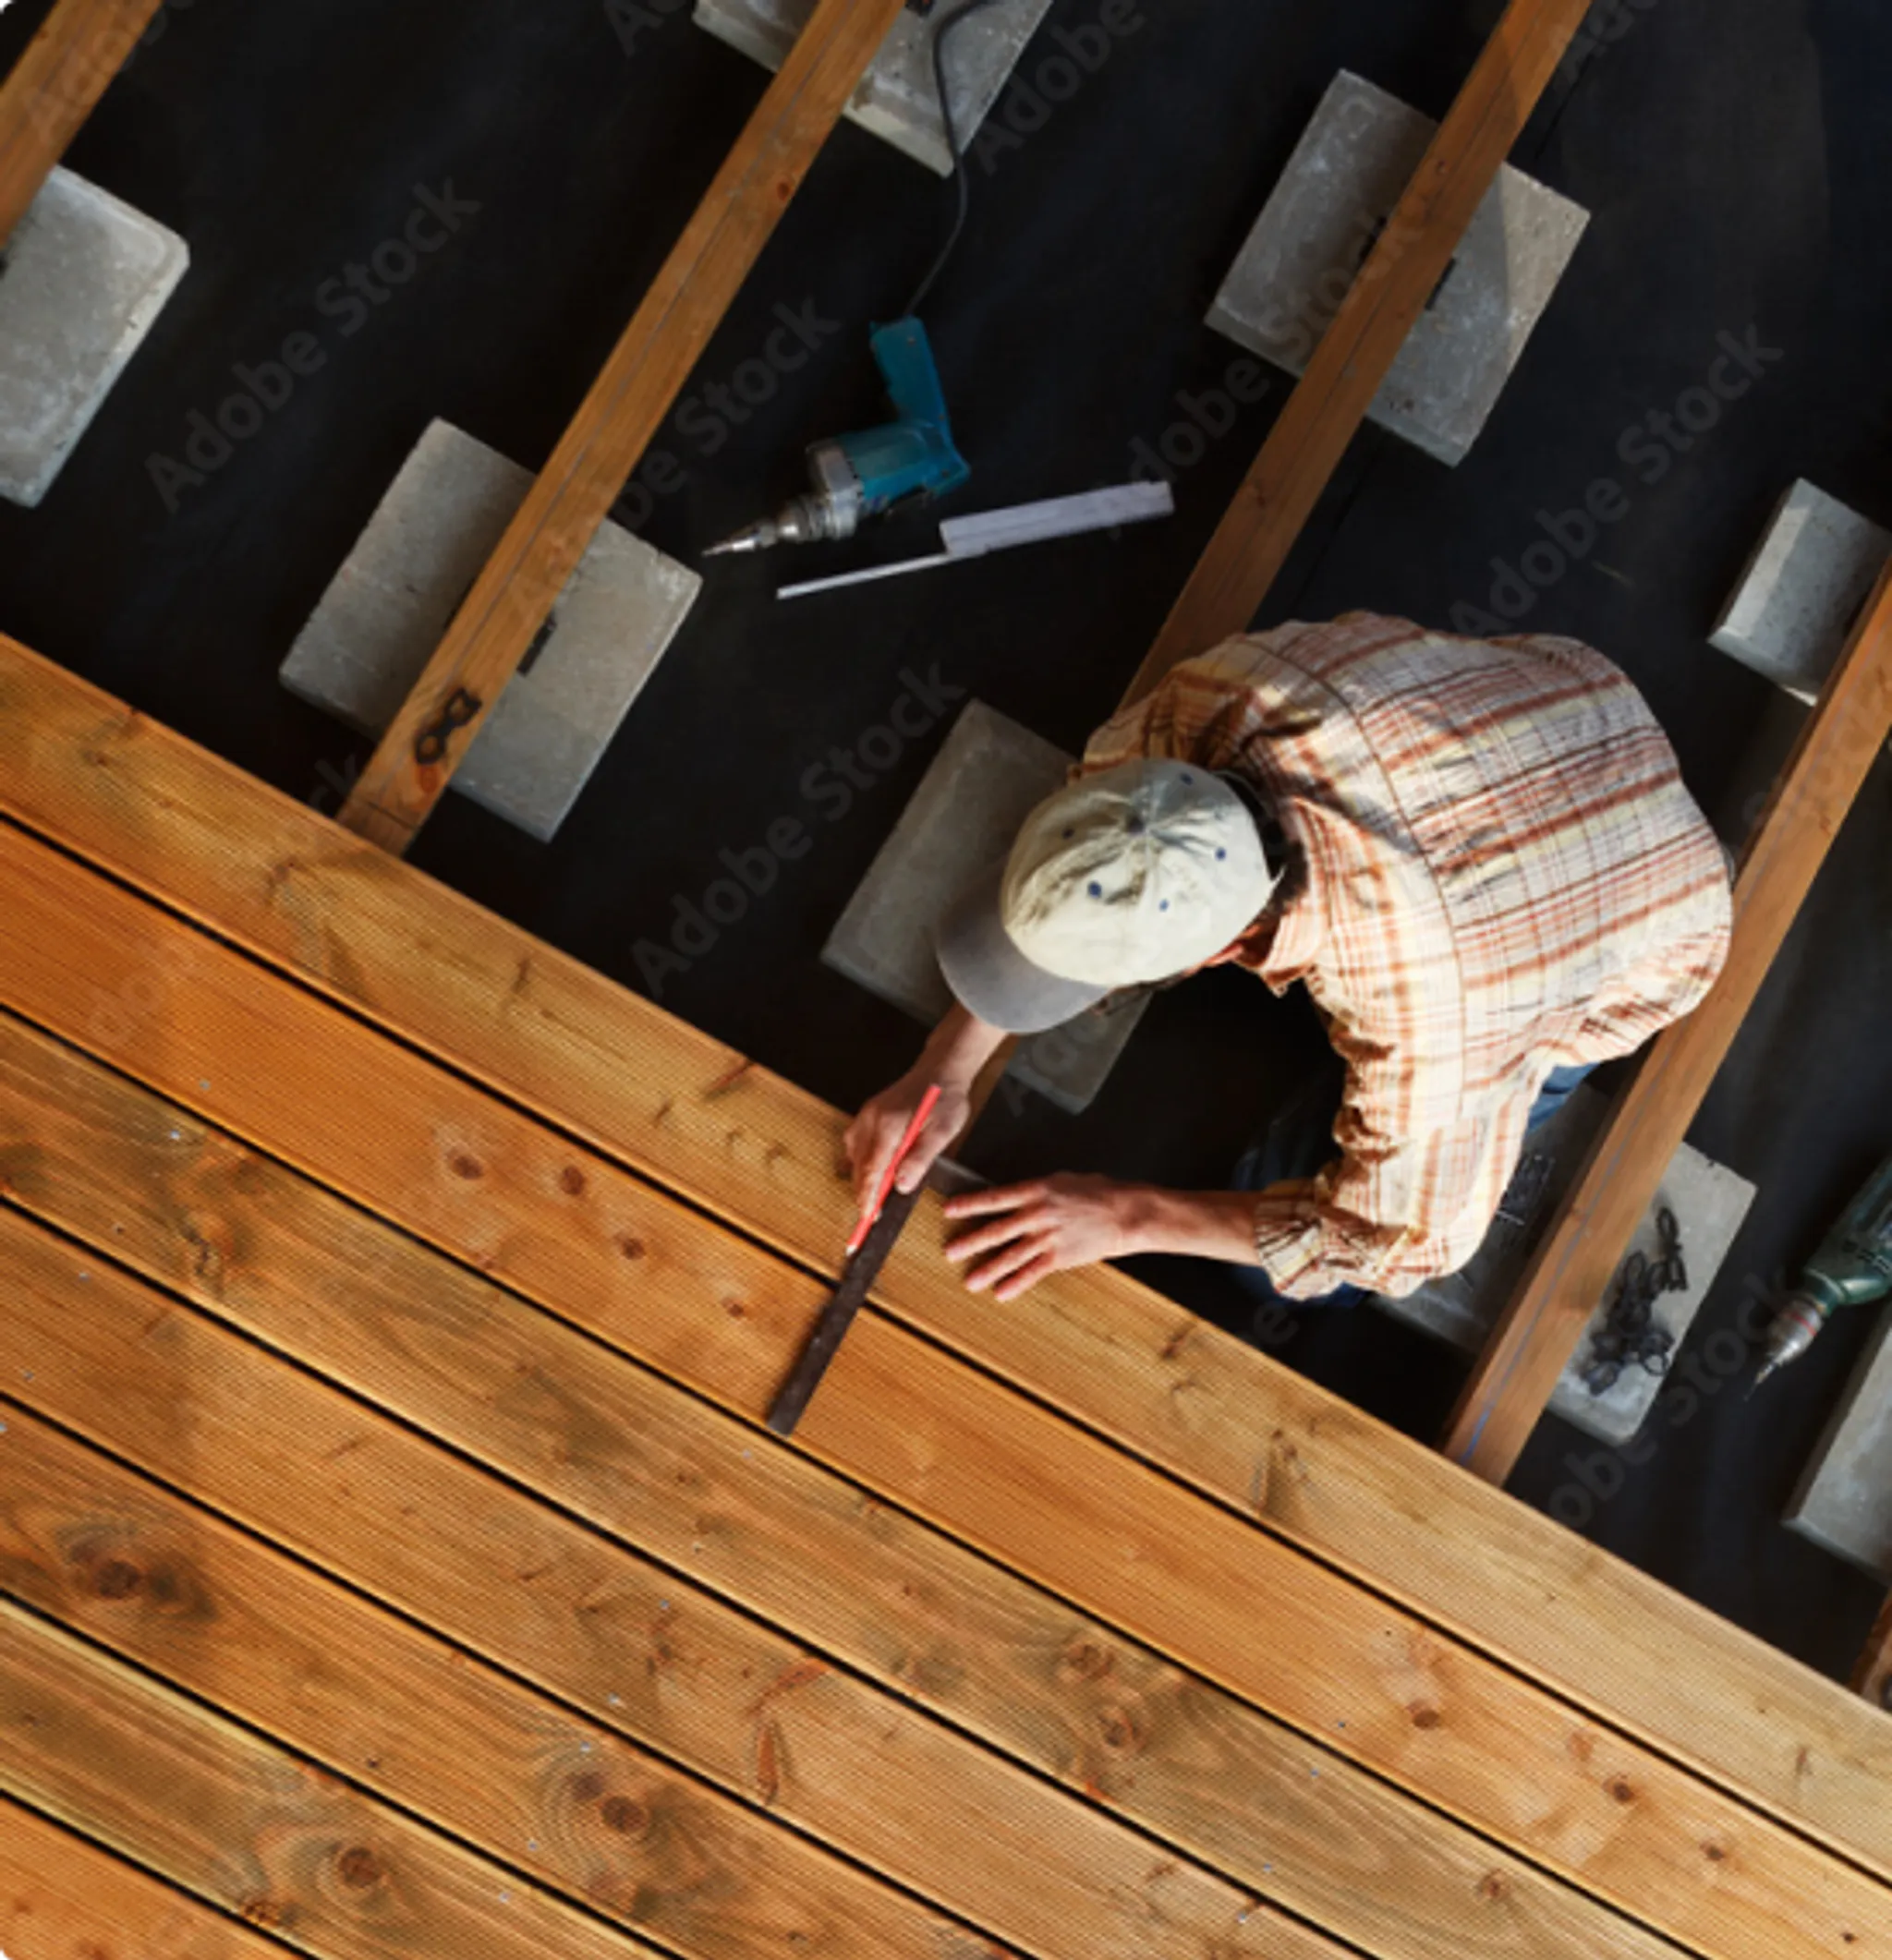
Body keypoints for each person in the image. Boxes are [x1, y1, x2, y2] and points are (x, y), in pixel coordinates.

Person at [843, 613, 1733, 1306]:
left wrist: (1125, 1215)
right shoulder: (1225, 694)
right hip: (1569, 709)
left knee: (1282, 1250)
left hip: (1644, 918)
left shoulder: (1436, 1025)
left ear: (1230, 949)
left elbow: (1401, 1243)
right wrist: (940, 1072)